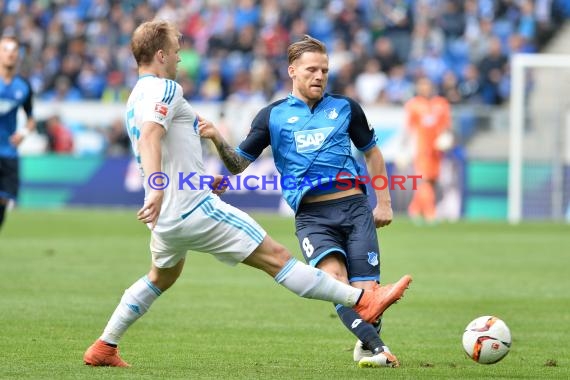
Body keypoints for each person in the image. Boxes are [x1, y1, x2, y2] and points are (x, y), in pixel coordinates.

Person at [83, 20, 411, 368]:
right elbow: (151, 136)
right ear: (161, 54)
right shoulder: (166, 89)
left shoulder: (135, 96)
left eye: (324, 70)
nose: (181, 59)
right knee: (278, 259)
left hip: (167, 218)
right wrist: (155, 188)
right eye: (177, 52)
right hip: (191, 206)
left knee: (161, 277)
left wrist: (201, 157)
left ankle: (105, 345)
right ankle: (362, 300)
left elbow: (169, 141)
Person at [199, 35, 412, 368]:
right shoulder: (272, 116)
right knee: (336, 286)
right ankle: (377, 348)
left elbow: (372, 152)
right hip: (313, 217)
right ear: (292, 72)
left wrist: (383, 202)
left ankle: (367, 342)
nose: (319, 76)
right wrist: (216, 140)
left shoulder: (346, 108)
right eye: (312, 69)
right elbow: (239, 162)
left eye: (324, 70)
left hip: (356, 209)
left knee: (369, 293)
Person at [403, 76, 452, 224]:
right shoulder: (413, 105)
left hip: (437, 151)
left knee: (431, 181)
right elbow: (408, 129)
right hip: (421, 149)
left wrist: (446, 138)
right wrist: (403, 148)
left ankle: (414, 209)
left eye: (427, 85)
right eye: (422, 85)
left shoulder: (441, 104)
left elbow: (446, 127)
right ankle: (430, 213)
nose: (425, 88)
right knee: (423, 180)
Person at [0, 36, 35, 231]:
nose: (11, 53)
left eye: (14, 50)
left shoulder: (23, 86)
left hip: (8, 152)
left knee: (4, 201)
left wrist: (22, 133)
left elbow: (31, 119)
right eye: (6, 49)